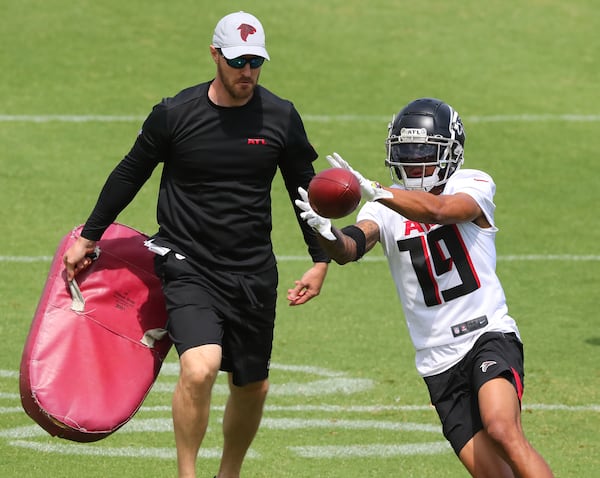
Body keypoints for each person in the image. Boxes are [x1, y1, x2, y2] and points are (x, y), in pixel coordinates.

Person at [63, 11, 329, 478]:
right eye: (238, 61)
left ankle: (228, 472)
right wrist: (90, 234)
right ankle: (187, 474)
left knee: (252, 387)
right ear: (215, 55)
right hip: (187, 264)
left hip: (251, 272)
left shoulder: (280, 117)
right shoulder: (175, 114)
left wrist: (320, 259)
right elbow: (131, 172)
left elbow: (304, 190)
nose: (247, 72)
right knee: (200, 368)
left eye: (256, 62)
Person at [290, 98, 554, 477]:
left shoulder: (472, 183)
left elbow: (440, 211)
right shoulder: (381, 210)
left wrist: (379, 190)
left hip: (487, 333)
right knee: (493, 474)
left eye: (423, 153)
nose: (413, 162)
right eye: (407, 153)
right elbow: (349, 249)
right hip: (436, 359)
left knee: (502, 428)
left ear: (451, 153)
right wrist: (325, 231)